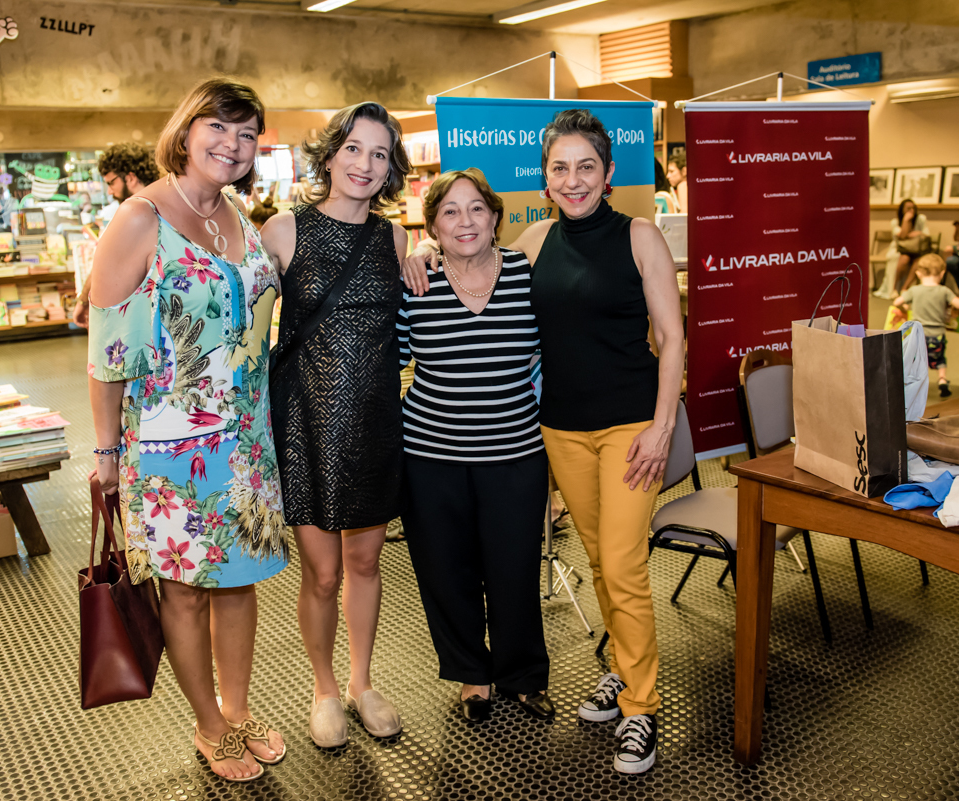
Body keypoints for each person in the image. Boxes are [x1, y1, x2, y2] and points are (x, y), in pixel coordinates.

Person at [406, 109, 685, 775]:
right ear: (545, 179)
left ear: (609, 173)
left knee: (622, 564)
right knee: (599, 559)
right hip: (559, 429)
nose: (573, 179)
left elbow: (673, 338)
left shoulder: (640, 236)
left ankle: (642, 706)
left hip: (629, 428)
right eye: (560, 167)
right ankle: (622, 667)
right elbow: (469, 256)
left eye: (586, 166)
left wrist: (662, 426)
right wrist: (420, 254)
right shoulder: (533, 242)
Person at [87, 79, 287, 782]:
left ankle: (238, 709)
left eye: (246, 133)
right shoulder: (139, 219)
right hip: (171, 444)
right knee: (186, 589)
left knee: (240, 580)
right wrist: (106, 454)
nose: (232, 145)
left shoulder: (237, 214)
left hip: (247, 440)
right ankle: (209, 725)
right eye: (218, 128)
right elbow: (108, 350)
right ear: (187, 129)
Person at [260, 102, 415, 748]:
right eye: (354, 148)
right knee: (322, 573)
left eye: (379, 154)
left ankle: (361, 681)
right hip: (305, 423)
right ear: (329, 156)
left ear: (390, 168)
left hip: (375, 418)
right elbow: (244, 328)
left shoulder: (395, 239)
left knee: (366, 561)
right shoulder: (283, 231)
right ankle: (324, 688)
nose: (365, 164)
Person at [396, 168, 554, 724]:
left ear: (495, 217)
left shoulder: (526, 275)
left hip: (515, 453)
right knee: (447, 571)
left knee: (515, 569)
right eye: (450, 212)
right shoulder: (415, 284)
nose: (465, 221)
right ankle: (471, 674)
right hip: (430, 457)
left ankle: (523, 674)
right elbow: (390, 360)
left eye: (476, 209)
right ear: (432, 226)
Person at [73, 143, 160, 328]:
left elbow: (104, 262)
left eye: (111, 183)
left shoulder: (132, 214)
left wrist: (83, 301)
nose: (110, 192)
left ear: (131, 178)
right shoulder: (167, 204)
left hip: (140, 318)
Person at [893, 253, 959, 397]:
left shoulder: (914, 290)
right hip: (937, 335)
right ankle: (942, 380)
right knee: (940, 359)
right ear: (942, 273)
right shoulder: (944, 291)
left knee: (914, 359)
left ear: (918, 273)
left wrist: (905, 308)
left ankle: (911, 383)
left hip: (917, 335)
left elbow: (897, 302)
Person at [891, 199, 930, 294]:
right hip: (903, 249)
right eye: (908, 208)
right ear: (902, 210)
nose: (911, 211)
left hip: (918, 249)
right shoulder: (895, 222)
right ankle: (894, 288)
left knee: (919, 262)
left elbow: (926, 233)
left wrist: (919, 233)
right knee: (904, 260)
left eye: (913, 208)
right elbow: (903, 236)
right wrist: (906, 220)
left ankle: (905, 288)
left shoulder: (920, 219)